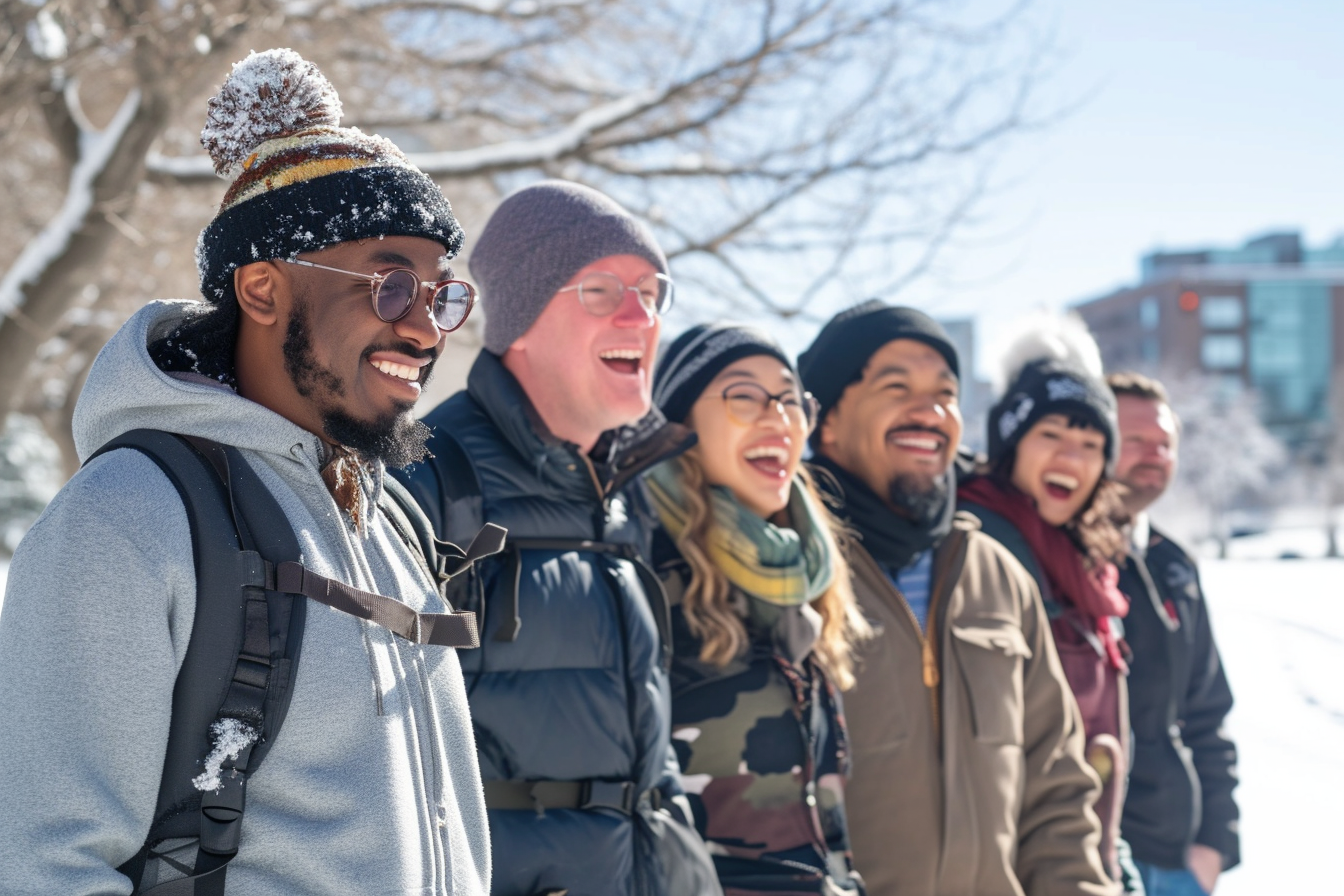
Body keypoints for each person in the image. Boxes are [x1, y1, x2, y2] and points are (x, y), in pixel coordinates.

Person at [0, 49, 490, 894]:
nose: (425, 330)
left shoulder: (393, 523)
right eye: (389, 286)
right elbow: (43, 864)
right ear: (262, 290)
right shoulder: (128, 515)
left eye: (442, 295)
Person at [394, 180, 719, 896]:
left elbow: (647, 757)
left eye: (652, 292)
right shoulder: (424, 478)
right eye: (601, 291)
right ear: (523, 316)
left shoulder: (618, 492)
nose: (642, 316)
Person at [797, 300, 1115, 896]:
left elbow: (1056, 793)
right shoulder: (785, 577)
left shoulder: (997, 577)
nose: (931, 411)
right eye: (897, 387)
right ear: (827, 419)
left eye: (946, 394)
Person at [645, 323, 869, 893]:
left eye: (792, 400)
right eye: (745, 395)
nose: (780, 417)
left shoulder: (807, 579)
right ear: (681, 424)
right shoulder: (644, 573)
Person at [956, 315, 1133, 886]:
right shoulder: (974, 545)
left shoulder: (1085, 564)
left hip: (1081, 857)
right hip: (1012, 866)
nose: (1072, 458)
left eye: (1090, 443)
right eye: (1051, 436)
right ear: (1010, 443)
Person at [1107, 371, 1240, 896]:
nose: (1153, 455)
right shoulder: (1054, 559)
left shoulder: (1174, 565)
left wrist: (1215, 844)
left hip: (1180, 862)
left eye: (1164, 444)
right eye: (1134, 440)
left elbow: (1208, 713)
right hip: (1090, 858)